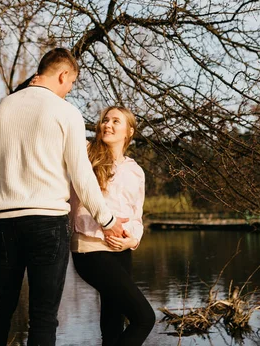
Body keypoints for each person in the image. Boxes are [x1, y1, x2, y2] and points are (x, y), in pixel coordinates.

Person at [0, 48, 128, 346]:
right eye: (71, 83)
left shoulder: (3, 108)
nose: (69, 89)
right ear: (63, 75)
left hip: (5, 222)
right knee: (43, 316)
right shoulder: (65, 112)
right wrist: (108, 220)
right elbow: (82, 176)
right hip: (47, 223)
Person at [70, 106, 156, 346]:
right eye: (105, 120)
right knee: (144, 318)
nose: (107, 124)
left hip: (122, 250)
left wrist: (133, 240)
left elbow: (137, 216)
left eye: (115, 121)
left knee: (113, 323)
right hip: (91, 249)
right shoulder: (86, 155)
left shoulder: (135, 170)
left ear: (129, 131)